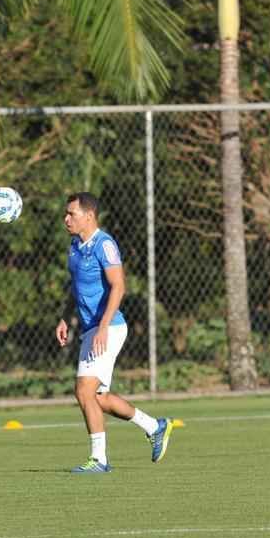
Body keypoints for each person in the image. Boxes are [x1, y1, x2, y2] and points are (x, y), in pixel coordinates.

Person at [55, 192, 175, 474]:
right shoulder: (75, 246)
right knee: (98, 398)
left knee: (83, 390)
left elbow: (118, 286)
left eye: (72, 213)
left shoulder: (104, 244)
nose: (66, 219)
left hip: (108, 328)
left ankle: (99, 459)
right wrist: (65, 317)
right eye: (66, 213)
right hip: (90, 329)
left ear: (89, 215)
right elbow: (76, 287)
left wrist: (104, 327)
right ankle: (154, 426)